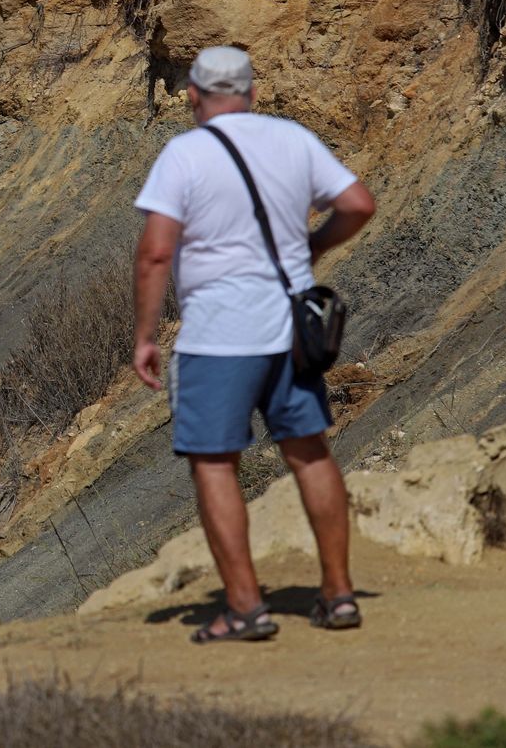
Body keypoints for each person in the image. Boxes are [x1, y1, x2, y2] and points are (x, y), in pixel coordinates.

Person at [130, 46, 376, 643]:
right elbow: (358, 204)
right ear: (252, 92)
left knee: (216, 463)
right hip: (290, 329)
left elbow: (157, 250)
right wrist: (314, 248)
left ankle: (244, 608)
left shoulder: (184, 154)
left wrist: (143, 335)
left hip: (219, 334)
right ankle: (339, 594)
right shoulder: (293, 140)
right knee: (310, 451)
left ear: (192, 95)